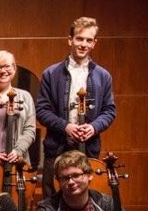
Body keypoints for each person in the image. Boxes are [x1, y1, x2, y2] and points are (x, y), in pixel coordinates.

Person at [36, 17, 116, 198]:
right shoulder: (51, 73)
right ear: (70, 40)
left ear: (94, 43)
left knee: (87, 198)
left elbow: (109, 111)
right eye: (79, 39)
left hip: (89, 147)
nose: (83, 44)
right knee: (52, 199)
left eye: (89, 40)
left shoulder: (103, 76)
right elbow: (41, 110)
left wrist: (93, 127)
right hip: (57, 146)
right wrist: (66, 127)